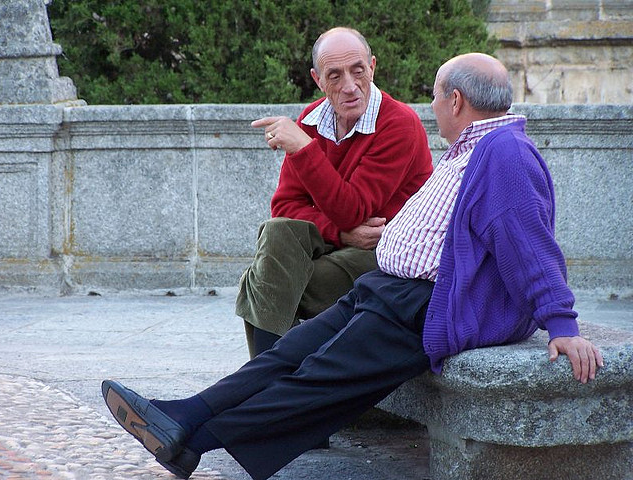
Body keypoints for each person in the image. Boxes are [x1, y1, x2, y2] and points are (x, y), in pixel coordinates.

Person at [102, 52, 603, 480]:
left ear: (456, 101)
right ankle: (185, 414)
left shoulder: (506, 154)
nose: (430, 106)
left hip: (424, 305)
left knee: (317, 378)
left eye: (435, 96)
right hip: (386, 287)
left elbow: (528, 241)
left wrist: (562, 322)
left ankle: (195, 442)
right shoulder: (471, 149)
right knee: (286, 356)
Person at [238, 27, 433, 357]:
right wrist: (341, 235)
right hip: (343, 243)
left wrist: (303, 147)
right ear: (317, 79)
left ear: (372, 66)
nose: (349, 86)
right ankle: (267, 383)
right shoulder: (312, 121)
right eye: (334, 75)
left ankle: (260, 381)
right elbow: (285, 206)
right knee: (277, 233)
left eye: (358, 71)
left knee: (261, 282)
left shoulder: (399, 123)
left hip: (390, 255)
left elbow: (353, 209)